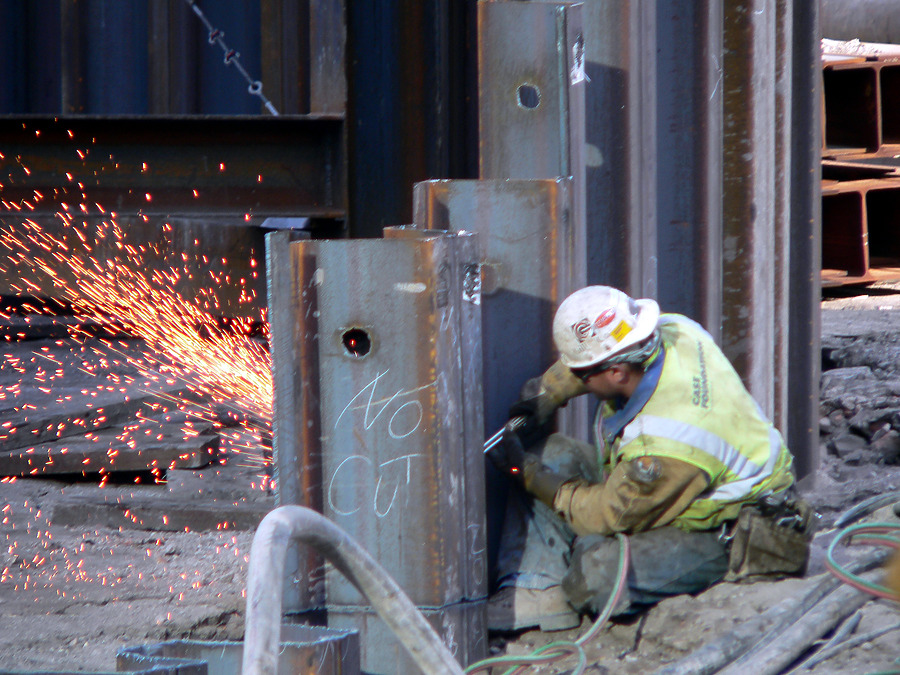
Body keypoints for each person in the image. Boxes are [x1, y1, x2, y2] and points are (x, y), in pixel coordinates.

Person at [486, 285, 812, 632]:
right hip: (677, 486)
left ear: (616, 374)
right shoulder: (673, 331)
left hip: (734, 527)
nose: (578, 380)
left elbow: (608, 514)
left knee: (596, 573)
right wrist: (549, 392)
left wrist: (532, 477)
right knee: (552, 454)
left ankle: (685, 567)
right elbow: (607, 350)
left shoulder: (667, 442)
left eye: (582, 376)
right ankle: (540, 593)